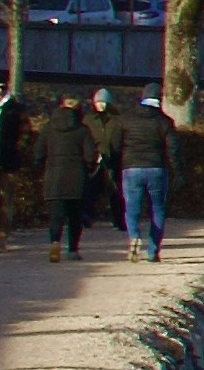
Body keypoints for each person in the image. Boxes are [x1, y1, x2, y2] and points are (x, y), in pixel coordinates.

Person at [110, 84, 179, 261]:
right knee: (157, 209)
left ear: (143, 98)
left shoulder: (125, 119)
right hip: (156, 168)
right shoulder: (164, 121)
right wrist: (177, 171)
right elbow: (173, 149)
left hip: (131, 168)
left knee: (132, 207)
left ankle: (134, 237)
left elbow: (115, 146)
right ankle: (153, 250)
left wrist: (116, 167)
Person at [39, 88, 102, 263]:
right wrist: (88, 168)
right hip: (77, 177)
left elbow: (38, 152)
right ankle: (73, 249)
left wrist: (44, 166)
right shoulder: (83, 130)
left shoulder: (48, 128)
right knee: (75, 216)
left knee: (56, 216)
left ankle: (54, 242)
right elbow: (91, 155)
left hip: (54, 176)